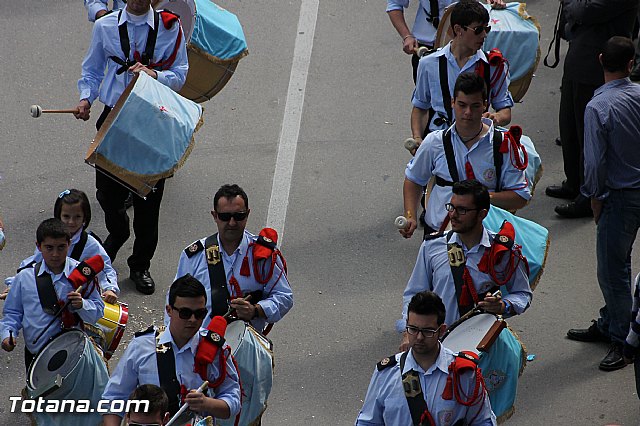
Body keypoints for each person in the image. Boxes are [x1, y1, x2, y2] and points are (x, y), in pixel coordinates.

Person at [75, 0, 188, 295]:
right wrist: (86, 99)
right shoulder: (105, 26)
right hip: (114, 116)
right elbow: (92, 71)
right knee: (107, 195)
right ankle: (119, 231)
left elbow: (181, 72)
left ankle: (140, 265)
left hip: (152, 120)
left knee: (148, 203)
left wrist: (155, 75)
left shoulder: (170, 26)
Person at [567, 36, 640, 372]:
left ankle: (623, 339)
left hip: (619, 197)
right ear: (631, 64)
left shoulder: (598, 107)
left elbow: (594, 163)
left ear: (599, 60)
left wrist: (594, 197)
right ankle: (610, 320)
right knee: (618, 269)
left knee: (613, 273)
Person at [398, 180, 531, 348]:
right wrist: (407, 332)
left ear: (482, 214)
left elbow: (522, 293)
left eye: (462, 210)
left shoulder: (502, 251)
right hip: (438, 343)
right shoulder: (432, 246)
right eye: (451, 207)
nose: (453, 215)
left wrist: (503, 305)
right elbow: (414, 293)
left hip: (482, 342)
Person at [401, 72, 529, 238]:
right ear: (453, 103)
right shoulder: (434, 142)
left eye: (475, 106)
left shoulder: (504, 145)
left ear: (484, 105)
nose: (467, 112)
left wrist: (480, 198)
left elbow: (520, 197)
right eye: (462, 105)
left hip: (486, 238)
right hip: (439, 233)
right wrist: (410, 215)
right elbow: (414, 179)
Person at [101, 274, 241, 426]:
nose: (193, 320)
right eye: (185, 313)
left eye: (199, 314)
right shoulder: (142, 346)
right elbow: (114, 398)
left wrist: (206, 403)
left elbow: (233, 399)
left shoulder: (214, 350)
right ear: (169, 310)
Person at [545, 0, 637, 218]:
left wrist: (572, 5)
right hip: (579, 57)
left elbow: (585, 10)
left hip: (598, 66)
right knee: (569, 128)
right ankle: (574, 183)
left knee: (587, 135)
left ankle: (587, 195)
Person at [355, 291, 496, 425]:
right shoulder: (386, 373)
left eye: (427, 331)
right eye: (413, 329)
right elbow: (367, 422)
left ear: (441, 330)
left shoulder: (465, 373)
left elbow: (483, 421)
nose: (419, 337)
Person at [170, 184, 293, 331]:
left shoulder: (263, 254)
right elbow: (174, 302)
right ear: (215, 216)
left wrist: (256, 310)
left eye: (239, 216)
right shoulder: (194, 256)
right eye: (225, 217)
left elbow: (284, 296)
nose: (232, 223)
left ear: (247, 214)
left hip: (247, 343)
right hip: (204, 346)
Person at [0, 218, 106, 372]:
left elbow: (97, 313)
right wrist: (7, 336)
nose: (55, 254)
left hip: (73, 353)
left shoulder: (81, 274)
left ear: (69, 245)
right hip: (37, 355)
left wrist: (82, 305)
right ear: (39, 246)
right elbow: (13, 314)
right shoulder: (24, 278)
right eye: (49, 248)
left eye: (61, 247)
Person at [410, 0, 513, 139]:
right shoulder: (428, 63)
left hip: (478, 141)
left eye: (486, 29)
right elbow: (420, 108)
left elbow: (505, 111)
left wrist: (496, 118)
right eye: (478, 30)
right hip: (440, 139)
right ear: (458, 30)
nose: (484, 35)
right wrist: (417, 139)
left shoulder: (493, 66)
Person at [3, 189, 119, 303]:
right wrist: (15, 284)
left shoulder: (90, 244)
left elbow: (105, 268)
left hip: (77, 298)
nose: (71, 222)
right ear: (58, 216)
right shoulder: (49, 238)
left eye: (77, 217)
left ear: (85, 217)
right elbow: (34, 264)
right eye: (66, 216)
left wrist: (110, 289)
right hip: (48, 293)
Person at [386, 0, 505, 83]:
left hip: (465, 43)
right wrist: (407, 36)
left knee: (468, 99)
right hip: (427, 45)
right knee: (428, 101)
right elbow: (394, 4)